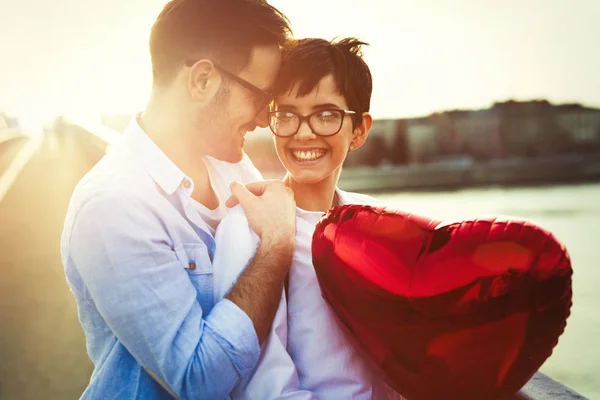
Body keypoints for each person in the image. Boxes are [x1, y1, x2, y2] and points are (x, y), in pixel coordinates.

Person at [60, 1, 301, 398]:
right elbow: (198, 380)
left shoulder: (234, 169)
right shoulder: (112, 207)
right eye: (261, 97)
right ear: (203, 80)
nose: (263, 119)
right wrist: (275, 248)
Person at [215, 37, 403, 399]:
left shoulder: (379, 224)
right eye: (285, 115)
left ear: (360, 130)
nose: (303, 132)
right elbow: (263, 388)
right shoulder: (247, 228)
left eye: (326, 115)